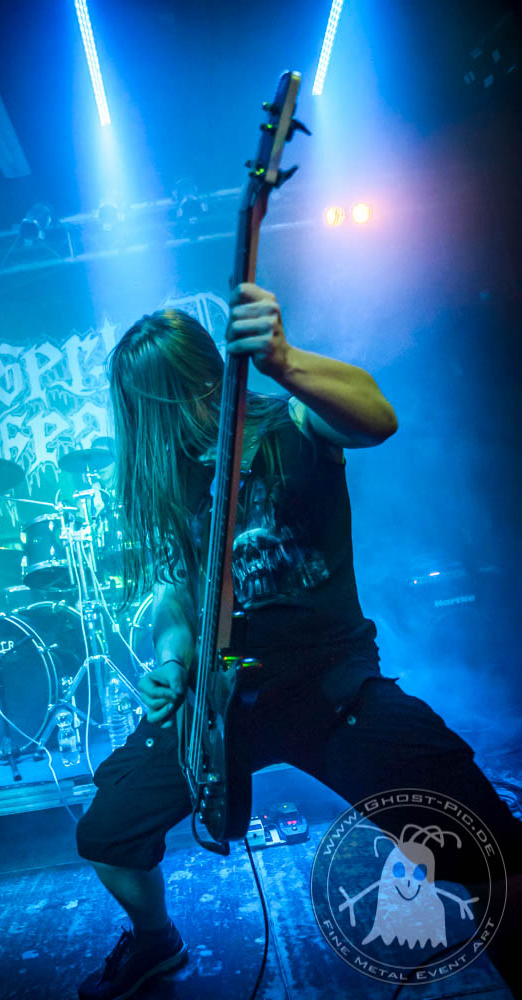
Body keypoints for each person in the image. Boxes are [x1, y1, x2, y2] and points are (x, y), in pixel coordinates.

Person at [76, 283, 521, 1000]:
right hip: (223, 702)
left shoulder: (291, 420)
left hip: (332, 689)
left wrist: (283, 361)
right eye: (160, 413)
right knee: (107, 833)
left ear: (210, 378)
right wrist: (172, 661)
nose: (182, 423)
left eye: (188, 397)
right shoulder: (170, 480)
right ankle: (155, 941)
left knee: (490, 850)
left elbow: (377, 416)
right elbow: (175, 596)